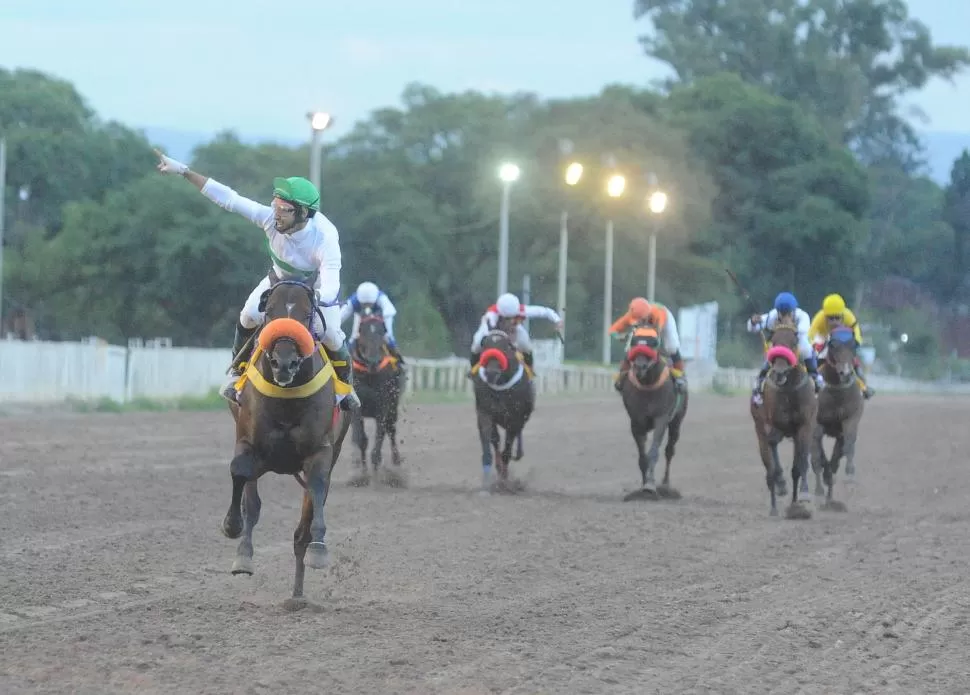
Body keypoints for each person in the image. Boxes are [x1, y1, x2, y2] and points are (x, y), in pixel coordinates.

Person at [153, 149, 360, 410]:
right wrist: (183, 170)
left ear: (303, 214)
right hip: (279, 280)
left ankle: (345, 388)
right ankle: (237, 373)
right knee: (249, 313)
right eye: (275, 206)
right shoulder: (269, 219)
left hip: (313, 288)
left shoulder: (326, 237)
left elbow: (331, 282)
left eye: (284, 210)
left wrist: (318, 299)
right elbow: (229, 199)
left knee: (330, 332)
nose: (276, 214)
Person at [747, 291, 821, 405]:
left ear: (794, 310)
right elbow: (754, 328)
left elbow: (802, 333)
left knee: (806, 347)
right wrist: (753, 322)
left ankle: (814, 376)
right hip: (779, 345)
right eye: (782, 313)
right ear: (778, 311)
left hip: (795, 345)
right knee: (770, 353)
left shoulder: (803, 316)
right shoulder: (772, 316)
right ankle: (759, 385)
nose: (785, 315)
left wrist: (787, 326)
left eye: (788, 313)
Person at [468, 292, 562, 375]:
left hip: (513, 330)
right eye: (508, 318)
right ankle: (473, 370)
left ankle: (530, 370)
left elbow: (544, 311)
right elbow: (488, 331)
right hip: (492, 330)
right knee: (476, 343)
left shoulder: (520, 310)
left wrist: (557, 320)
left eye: (514, 317)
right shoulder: (491, 316)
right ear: (501, 314)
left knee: (526, 344)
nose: (511, 320)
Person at [609, 297, 686, 392]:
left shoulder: (658, 314)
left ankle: (680, 376)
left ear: (647, 315)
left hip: (665, 322)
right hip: (650, 327)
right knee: (629, 347)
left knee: (672, 347)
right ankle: (622, 374)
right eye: (636, 321)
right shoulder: (631, 315)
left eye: (640, 320)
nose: (638, 322)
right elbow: (612, 330)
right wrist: (619, 336)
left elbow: (656, 336)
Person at [808, 293, 874, 399]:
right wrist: (814, 346)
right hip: (824, 336)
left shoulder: (848, 315)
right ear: (825, 316)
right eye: (830, 318)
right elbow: (810, 335)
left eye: (837, 318)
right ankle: (813, 379)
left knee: (849, 357)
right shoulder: (819, 318)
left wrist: (856, 341)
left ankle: (863, 386)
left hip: (841, 339)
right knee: (817, 356)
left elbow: (856, 330)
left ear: (842, 315)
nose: (834, 321)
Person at [340, 281, 405, 364]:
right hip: (360, 316)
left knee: (388, 336)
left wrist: (386, 331)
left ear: (374, 300)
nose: (367, 306)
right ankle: (347, 361)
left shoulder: (381, 298)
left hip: (380, 317)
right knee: (354, 337)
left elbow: (389, 312)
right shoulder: (353, 301)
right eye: (364, 304)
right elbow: (340, 318)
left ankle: (398, 361)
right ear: (360, 301)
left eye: (369, 304)